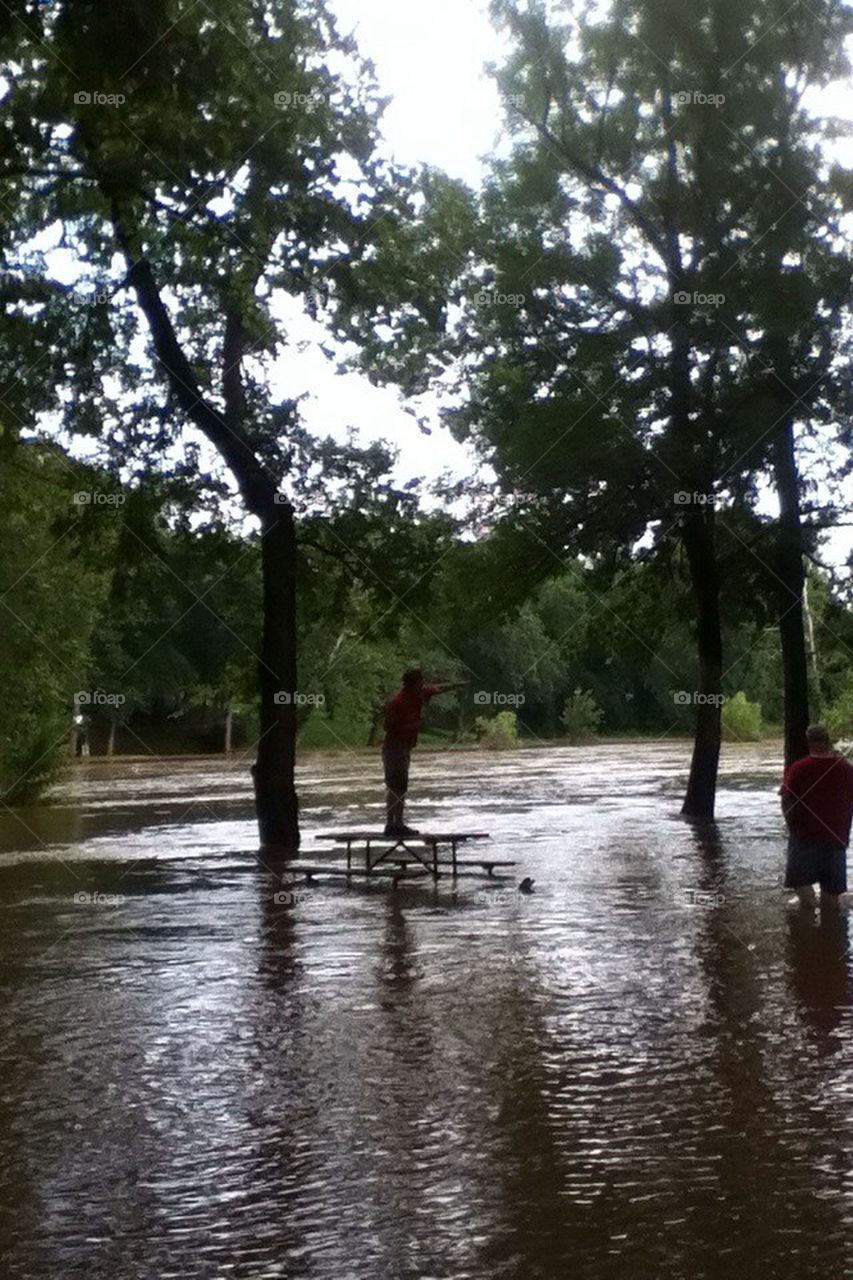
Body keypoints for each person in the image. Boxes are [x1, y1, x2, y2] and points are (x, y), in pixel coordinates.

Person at [382, 669, 464, 837]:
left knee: (401, 787)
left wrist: (458, 685)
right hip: (393, 749)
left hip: (405, 748)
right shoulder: (397, 702)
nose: (422, 684)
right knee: (395, 787)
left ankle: (397, 823)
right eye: (419, 682)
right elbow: (388, 727)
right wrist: (413, 726)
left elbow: (439, 688)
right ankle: (392, 825)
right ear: (410, 683)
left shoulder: (420, 693)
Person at [781, 724, 853, 910]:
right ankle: (830, 933)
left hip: (805, 836)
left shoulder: (799, 768)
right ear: (827, 741)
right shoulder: (846, 768)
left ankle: (809, 916)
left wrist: (790, 825)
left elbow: (787, 799)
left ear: (809, 742)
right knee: (832, 894)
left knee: (800, 883)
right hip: (836, 837)